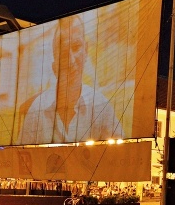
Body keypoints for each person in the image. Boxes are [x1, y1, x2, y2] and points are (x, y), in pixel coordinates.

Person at [19, 15, 121, 144]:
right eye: (63, 53)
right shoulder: (36, 110)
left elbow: (121, 151)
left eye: (76, 47)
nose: (71, 61)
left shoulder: (101, 107)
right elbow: (20, 157)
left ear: (86, 50)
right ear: (54, 66)